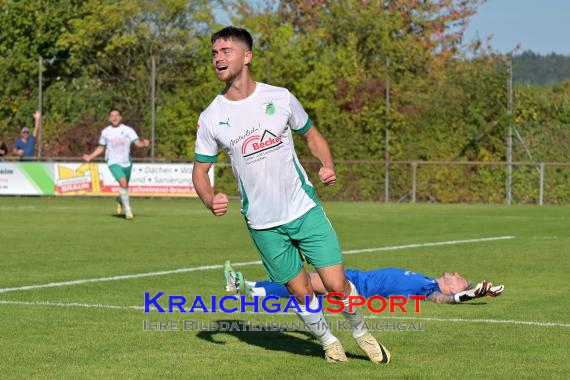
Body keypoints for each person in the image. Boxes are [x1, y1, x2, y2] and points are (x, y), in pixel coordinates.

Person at [192, 26, 389, 364]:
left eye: (226, 51)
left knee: (336, 283)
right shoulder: (212, 116)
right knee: (299, 290)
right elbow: (199, 170)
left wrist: (326, 163)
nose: (218, 58)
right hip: (263, 223)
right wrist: (210, 199)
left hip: (303, 209)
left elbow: (311, 135)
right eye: (214, 53)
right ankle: (329, 342)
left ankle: (361, 333)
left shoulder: (279, 97)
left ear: (247, 56)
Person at [224, 261, 505, 304]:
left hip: (357, 287)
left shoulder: (429, 289)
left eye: (457, 279)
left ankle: (244, 287)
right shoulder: (427, 280)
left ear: (454, 287)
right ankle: (246, 287)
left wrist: (468, 295)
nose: (453, 274)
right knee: (301, 287)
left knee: (301, 281)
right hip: (356, 277)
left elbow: (444, 300)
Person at [82, 109, 149, 220]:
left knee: (125, 186)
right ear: (109, 118)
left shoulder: (128, 130)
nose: (115, 118)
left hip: (127, 163)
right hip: (113, 162)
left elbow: (137, 143)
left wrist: (143, 144)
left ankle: (120, 199)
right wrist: (90, 156)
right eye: (112, 116)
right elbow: (101, 147)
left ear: (120, 117)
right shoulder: (105, 132)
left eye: (117, 115)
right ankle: (128, 210)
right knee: (123, 182)